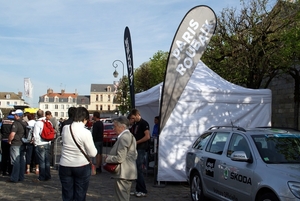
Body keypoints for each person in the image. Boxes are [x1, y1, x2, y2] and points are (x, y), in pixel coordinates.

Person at [59, 107, 97, 201]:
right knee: (80, 194)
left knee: (67, 194)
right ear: (84, 118)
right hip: (81, 165)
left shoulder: (65, 128)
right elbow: (93, 153)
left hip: (65, 164)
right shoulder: (85, 132)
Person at [105, 116, 137, 201]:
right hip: (127, 172)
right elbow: (135, 154)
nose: (113, 128)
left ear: (122, 127)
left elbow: (120, 158)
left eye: (115, 126)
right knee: (123, 197)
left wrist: (108, 158)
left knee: (121, 198)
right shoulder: (130, 136)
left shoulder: (124, 137)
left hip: (124, 173)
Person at [130, 109, 150, 197]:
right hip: (136, 148)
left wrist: (137, 142)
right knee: (136, 169)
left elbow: (147, 136)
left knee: (139, 169)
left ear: (138, 115)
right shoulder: (136, 124)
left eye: (134, 117)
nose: (133, 119)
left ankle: (143, 190)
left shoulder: (144, 123)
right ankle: (138, 189)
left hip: (141, 148)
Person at [7, 109, 27, 182]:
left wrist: (9, 140)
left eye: (15, 115)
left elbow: (12, 134)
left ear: (18, 116)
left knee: (15, 161)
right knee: (22, 161)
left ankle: (14, 178)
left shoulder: (16, 123)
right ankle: (21, 177)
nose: (14, 116)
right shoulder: (25, 123)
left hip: (16, 143)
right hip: (23, 143)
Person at [33, 109, 52, 181]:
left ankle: (42, 176)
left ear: (37, 115)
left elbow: (36, 135)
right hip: (47, 142)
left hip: (40, 143)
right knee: (47, 161)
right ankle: (48, 175)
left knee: (42, 161)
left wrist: (36, 144)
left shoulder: (38, 123)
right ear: (43, 114)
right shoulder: (48, 122)